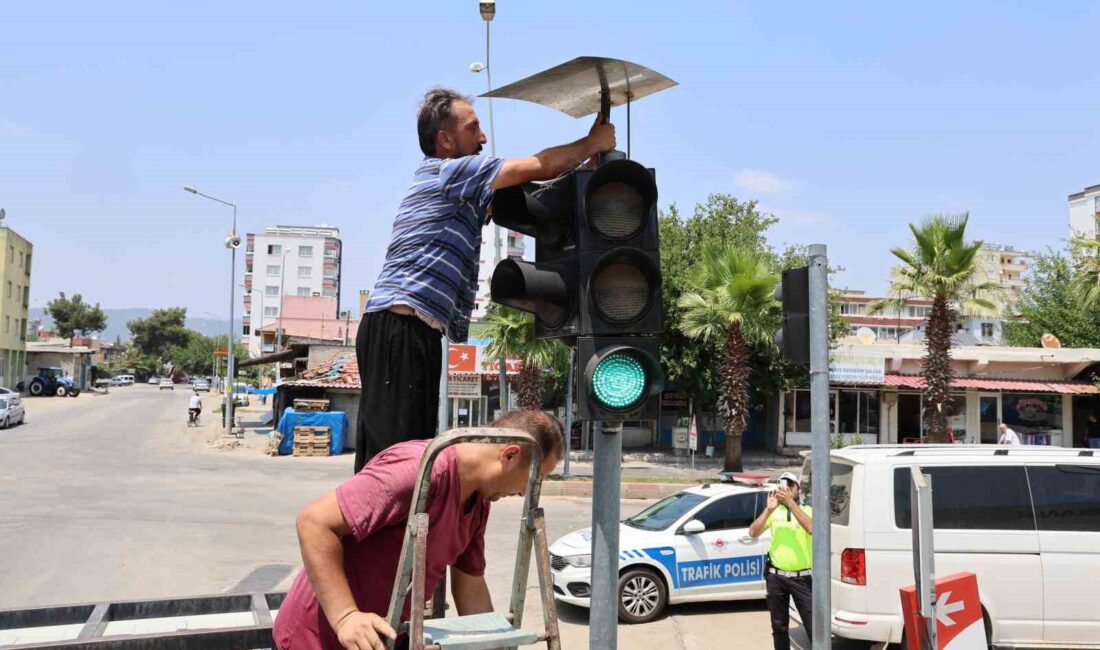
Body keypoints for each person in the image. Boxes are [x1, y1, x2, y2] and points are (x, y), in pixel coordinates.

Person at [353, 86, 616, 473]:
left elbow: (541, 188)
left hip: (413, 330)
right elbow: (539, 165)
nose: (483, 137)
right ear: (445, 140)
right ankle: (371, 529)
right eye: (473, 128)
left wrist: (586, 163)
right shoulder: (449, 172)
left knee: (408, 456)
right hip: (399, 326)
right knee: (395, 464)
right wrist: (591, 141)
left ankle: (396, 531)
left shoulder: (465, 189)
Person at [274, 410, 564, 650]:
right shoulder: (418, 471)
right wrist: (346, 616)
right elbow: (314, 522)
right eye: (535, 476)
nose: (528, 490)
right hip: (316, 638)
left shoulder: (478, 504)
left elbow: (470, 588)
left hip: (383, 638)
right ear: (510, 455)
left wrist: (497, 644)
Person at [749, 471, 814, 650]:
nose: (785, 489)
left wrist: (790, 503)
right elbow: (753, 532)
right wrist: (769, 509)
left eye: (790, 486)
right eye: (782, 486)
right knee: (779, 627)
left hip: (802, 579)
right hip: (776, 577)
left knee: (814, 627)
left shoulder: (807, 510)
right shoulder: (774, 512)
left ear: (798, 489)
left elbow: (811, 528)